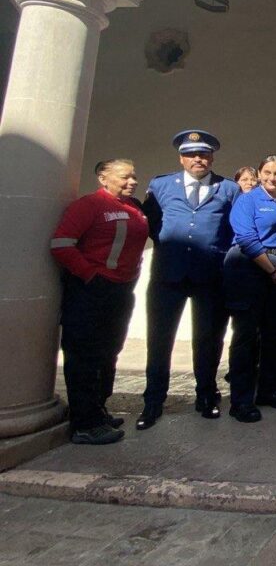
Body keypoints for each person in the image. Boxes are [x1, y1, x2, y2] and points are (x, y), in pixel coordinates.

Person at [136, 129, 240, 431]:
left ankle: (206, 396)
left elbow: (234, 229)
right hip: (168, 275)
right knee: (159, 340)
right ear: (181, 158)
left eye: (204, 154)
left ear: (212, 157)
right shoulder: (161, 185)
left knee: (208, 340)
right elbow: (152, 224)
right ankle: (153, 401)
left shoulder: (228, 189)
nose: (199, 159)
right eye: (192, 154)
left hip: (210, 275)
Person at [50, 159, 149, 445]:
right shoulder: (89, 205)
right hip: (90, 292)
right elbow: (61, 244)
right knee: (84, 356)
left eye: (134, 176)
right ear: (103, 178)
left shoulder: (135, 207)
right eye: (125, 177)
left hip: (120, 291)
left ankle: (97, 410)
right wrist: (91, 276)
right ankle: (83, 424)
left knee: (109, 352)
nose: (133, 182)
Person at [222, 155, 276, 423]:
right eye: (267, 172)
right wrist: (272, 270)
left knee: (275, 335)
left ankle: (268, 391)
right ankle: (241, 400)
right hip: (250, 269)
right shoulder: (248, 200)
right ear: (259, 173)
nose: (273, 178)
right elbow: (246, 238)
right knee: (246, 337)